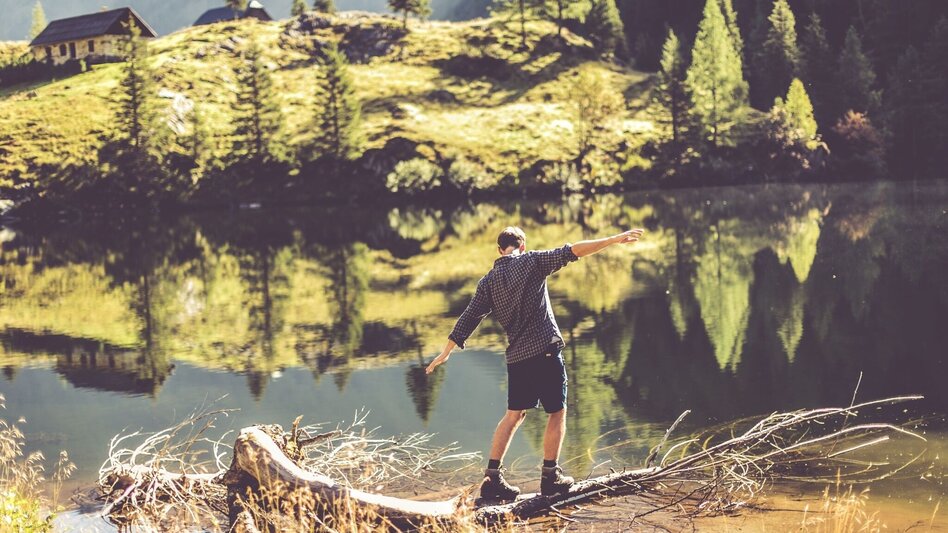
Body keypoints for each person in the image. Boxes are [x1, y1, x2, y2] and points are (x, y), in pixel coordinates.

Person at [425, 226, 644, 501]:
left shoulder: (488, 281)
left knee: (513, 415)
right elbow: (574, 250)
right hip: (545, 352)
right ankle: (550, 477)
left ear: (498, 250)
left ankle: (492, 480)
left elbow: (469, 316)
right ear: (522, 246)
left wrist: (446, 351)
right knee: (557, 412)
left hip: (517, 359)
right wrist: (613, 240)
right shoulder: (533, 261)